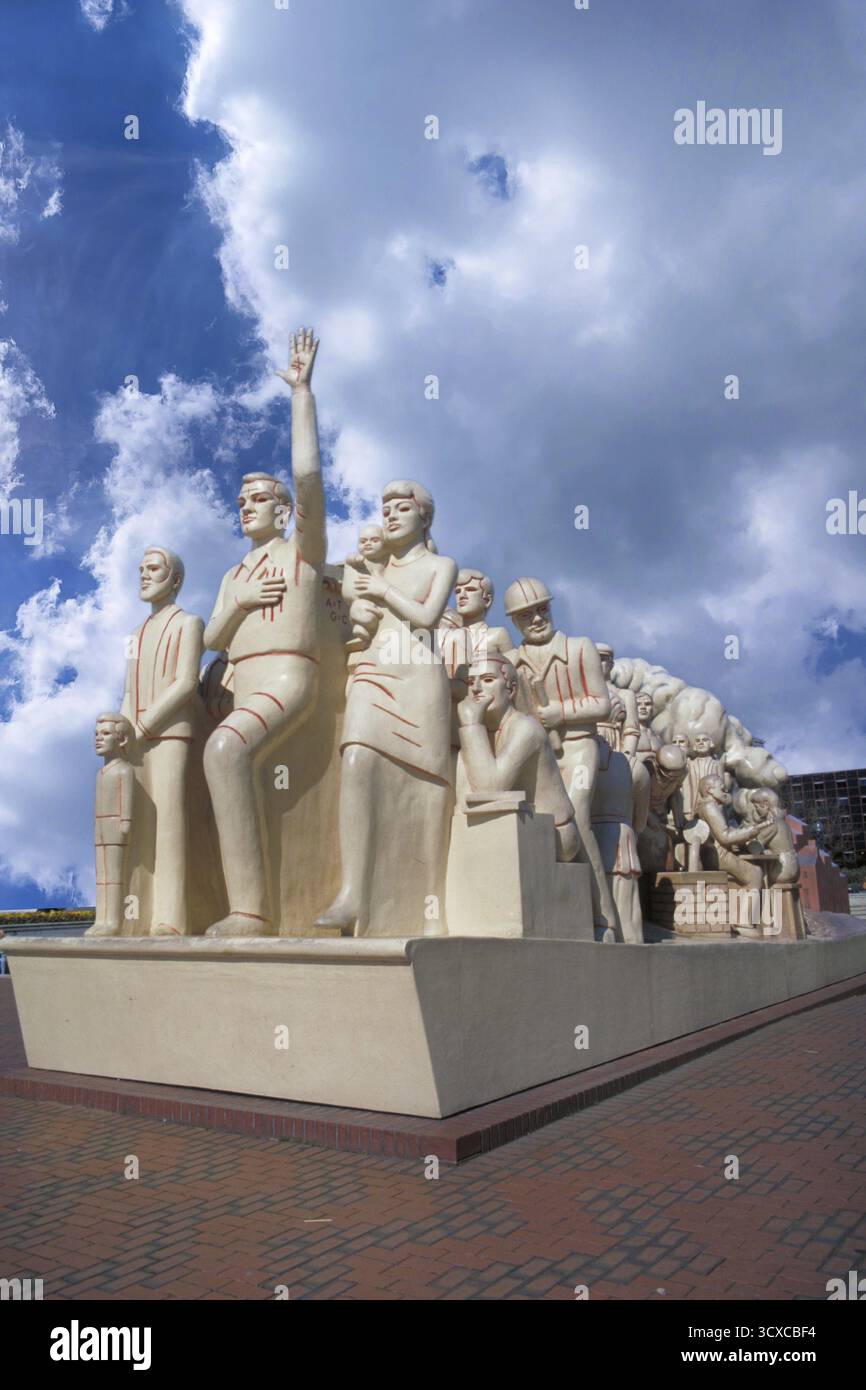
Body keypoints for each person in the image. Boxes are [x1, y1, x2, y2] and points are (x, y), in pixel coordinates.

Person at [202, 328, 327, 936]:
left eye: (257, 497)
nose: (245, 505)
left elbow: (307, 476)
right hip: (236, 679)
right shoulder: (235, 572)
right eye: (241, 498)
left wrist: (301, 394)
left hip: (284, 674)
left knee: (226, 750)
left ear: (282, 510)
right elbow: (213, 636)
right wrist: (243, 600)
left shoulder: (302, 550)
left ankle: (250, 912)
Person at [316, 479, 457, 935]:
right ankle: (353, 892)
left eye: (402, 508)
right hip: (375, 674)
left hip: (419, 682)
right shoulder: (372, 572)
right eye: (386, 508)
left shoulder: (440, 565)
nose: (391, 515)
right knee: (356, 760)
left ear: (424, 518)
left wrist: (380, 591)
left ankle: (431, 902)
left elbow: (427, 617)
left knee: (430, 792)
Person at [503, 578, 616, 931]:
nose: (537, 619)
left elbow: (602, 704)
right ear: (514, 622)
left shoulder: (580, 648)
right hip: (540, 753)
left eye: (541, 609)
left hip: (580, 746)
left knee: (577, 816)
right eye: (526, 615)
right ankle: (553, 911)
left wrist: (561, 713)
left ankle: (605, 918)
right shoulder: (510, 661)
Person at [121, 546, 203, 936]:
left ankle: (170, 917)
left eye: (153, 568)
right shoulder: (134, 635)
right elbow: (127, 691)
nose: (144, 574)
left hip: (170, 734)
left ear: (175, 579)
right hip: (136, 739)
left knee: (169, 821)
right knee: (137, 823)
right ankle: (131, 915)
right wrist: (123, 731)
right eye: (141, 569)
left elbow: (186, 683)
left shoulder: (188, 623)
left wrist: (144, 724)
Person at [456, 654, 579, 862]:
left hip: (555, 835)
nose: (476, 688)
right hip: (514, 822)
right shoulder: (485, 729)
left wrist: (470, 725)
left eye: (487, 680)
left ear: (511, 689)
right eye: (470, 682)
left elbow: (489, 790)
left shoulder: (526, 728)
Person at [87, 713, 135, 938]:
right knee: (102, 876)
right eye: (96, 734)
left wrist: (125, 822)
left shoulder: (124, 770)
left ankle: (114, 921)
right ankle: (101, 918)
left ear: (122, 739)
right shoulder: (100, 773)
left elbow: (126, 798)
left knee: (115, 877)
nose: (98, 738)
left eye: (105, 734)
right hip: (101, 829)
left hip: (116, 829)